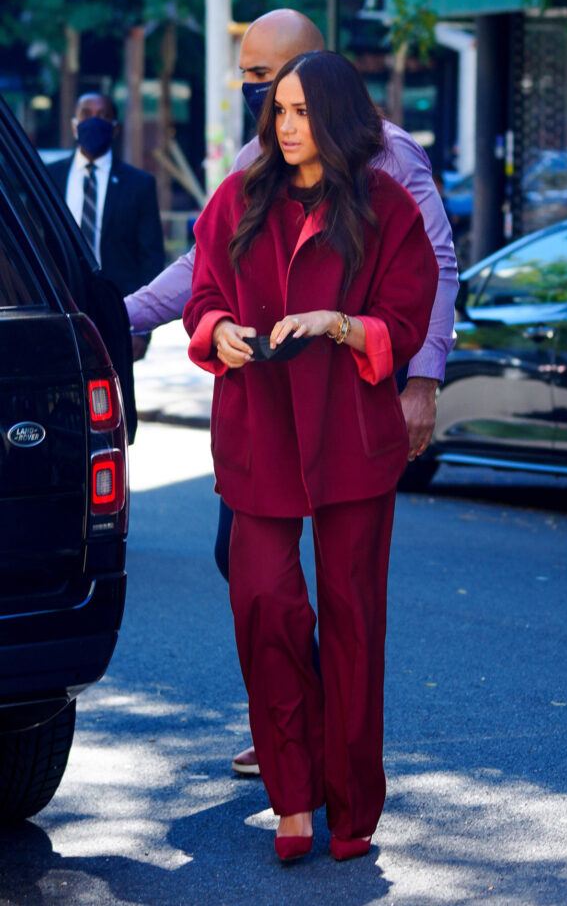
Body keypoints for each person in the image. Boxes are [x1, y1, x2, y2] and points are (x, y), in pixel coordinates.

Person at [123, 8, 458, 774]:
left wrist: (424, 381)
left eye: (263, 77)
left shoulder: (389, 153)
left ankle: (324, 743)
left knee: (346, 594)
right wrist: (119, 313)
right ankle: (293, 726)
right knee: (249, 571)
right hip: (271, 410)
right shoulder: (258, 159)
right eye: (249, 79)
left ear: (318, 72)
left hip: (351, 404)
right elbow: (202, 272)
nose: (254, 93)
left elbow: (432, 262)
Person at [183, 51, 438, 862]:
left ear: (336, 116)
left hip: (352, 439)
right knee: (264, 608)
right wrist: (214, 328)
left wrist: (338, 324)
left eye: (300, 111)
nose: (286, 127)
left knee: (355, 620)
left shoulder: (387, 206)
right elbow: (202, 292)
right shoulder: (238, 198)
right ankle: (292, 796)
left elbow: (407, 314)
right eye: (277, 111)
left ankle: (352, 803)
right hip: (258, 431)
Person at [48, 92, 165, 359]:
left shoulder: (139, 185)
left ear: (115, 128)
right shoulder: (49, 179)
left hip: (117, 313)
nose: (94, 121)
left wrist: (142, 329)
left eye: (102, 115)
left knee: (117, 396)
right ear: (73, 124)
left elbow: (150, 257)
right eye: (86, 114)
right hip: (61, 310)